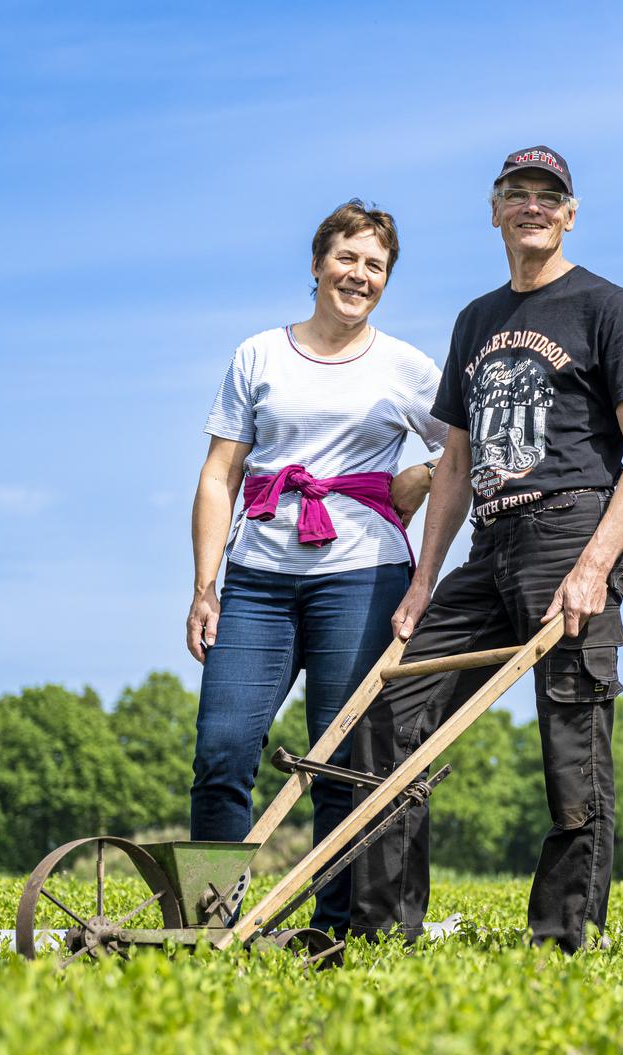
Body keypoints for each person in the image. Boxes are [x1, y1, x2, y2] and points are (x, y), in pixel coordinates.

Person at [351, 146, 623, 952]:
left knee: (571, 736)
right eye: (516, 193)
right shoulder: (476, 319)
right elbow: (454, 462)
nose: (532, 206)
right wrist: (425, 579)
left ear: (570, 213)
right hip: (487, 546)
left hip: (570, 532)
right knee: (392, 714)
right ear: (494, 209)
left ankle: (564, 936)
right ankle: (386, 927)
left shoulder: (607, 304)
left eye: (548, 196)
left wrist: (594, 564)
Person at [186, 200, 445, 938]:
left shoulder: (406, 366)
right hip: (259, 579)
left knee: (338, 756)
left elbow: (458, 446)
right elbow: (217, 477)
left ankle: (332, 933)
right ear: (316, 263)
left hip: (361, 578)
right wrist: (206, 587)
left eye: (375, 266)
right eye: (347, 258)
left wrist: (416, 480)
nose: (358, 275)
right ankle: (210, 923)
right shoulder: (259, 355)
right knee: (223, 748)